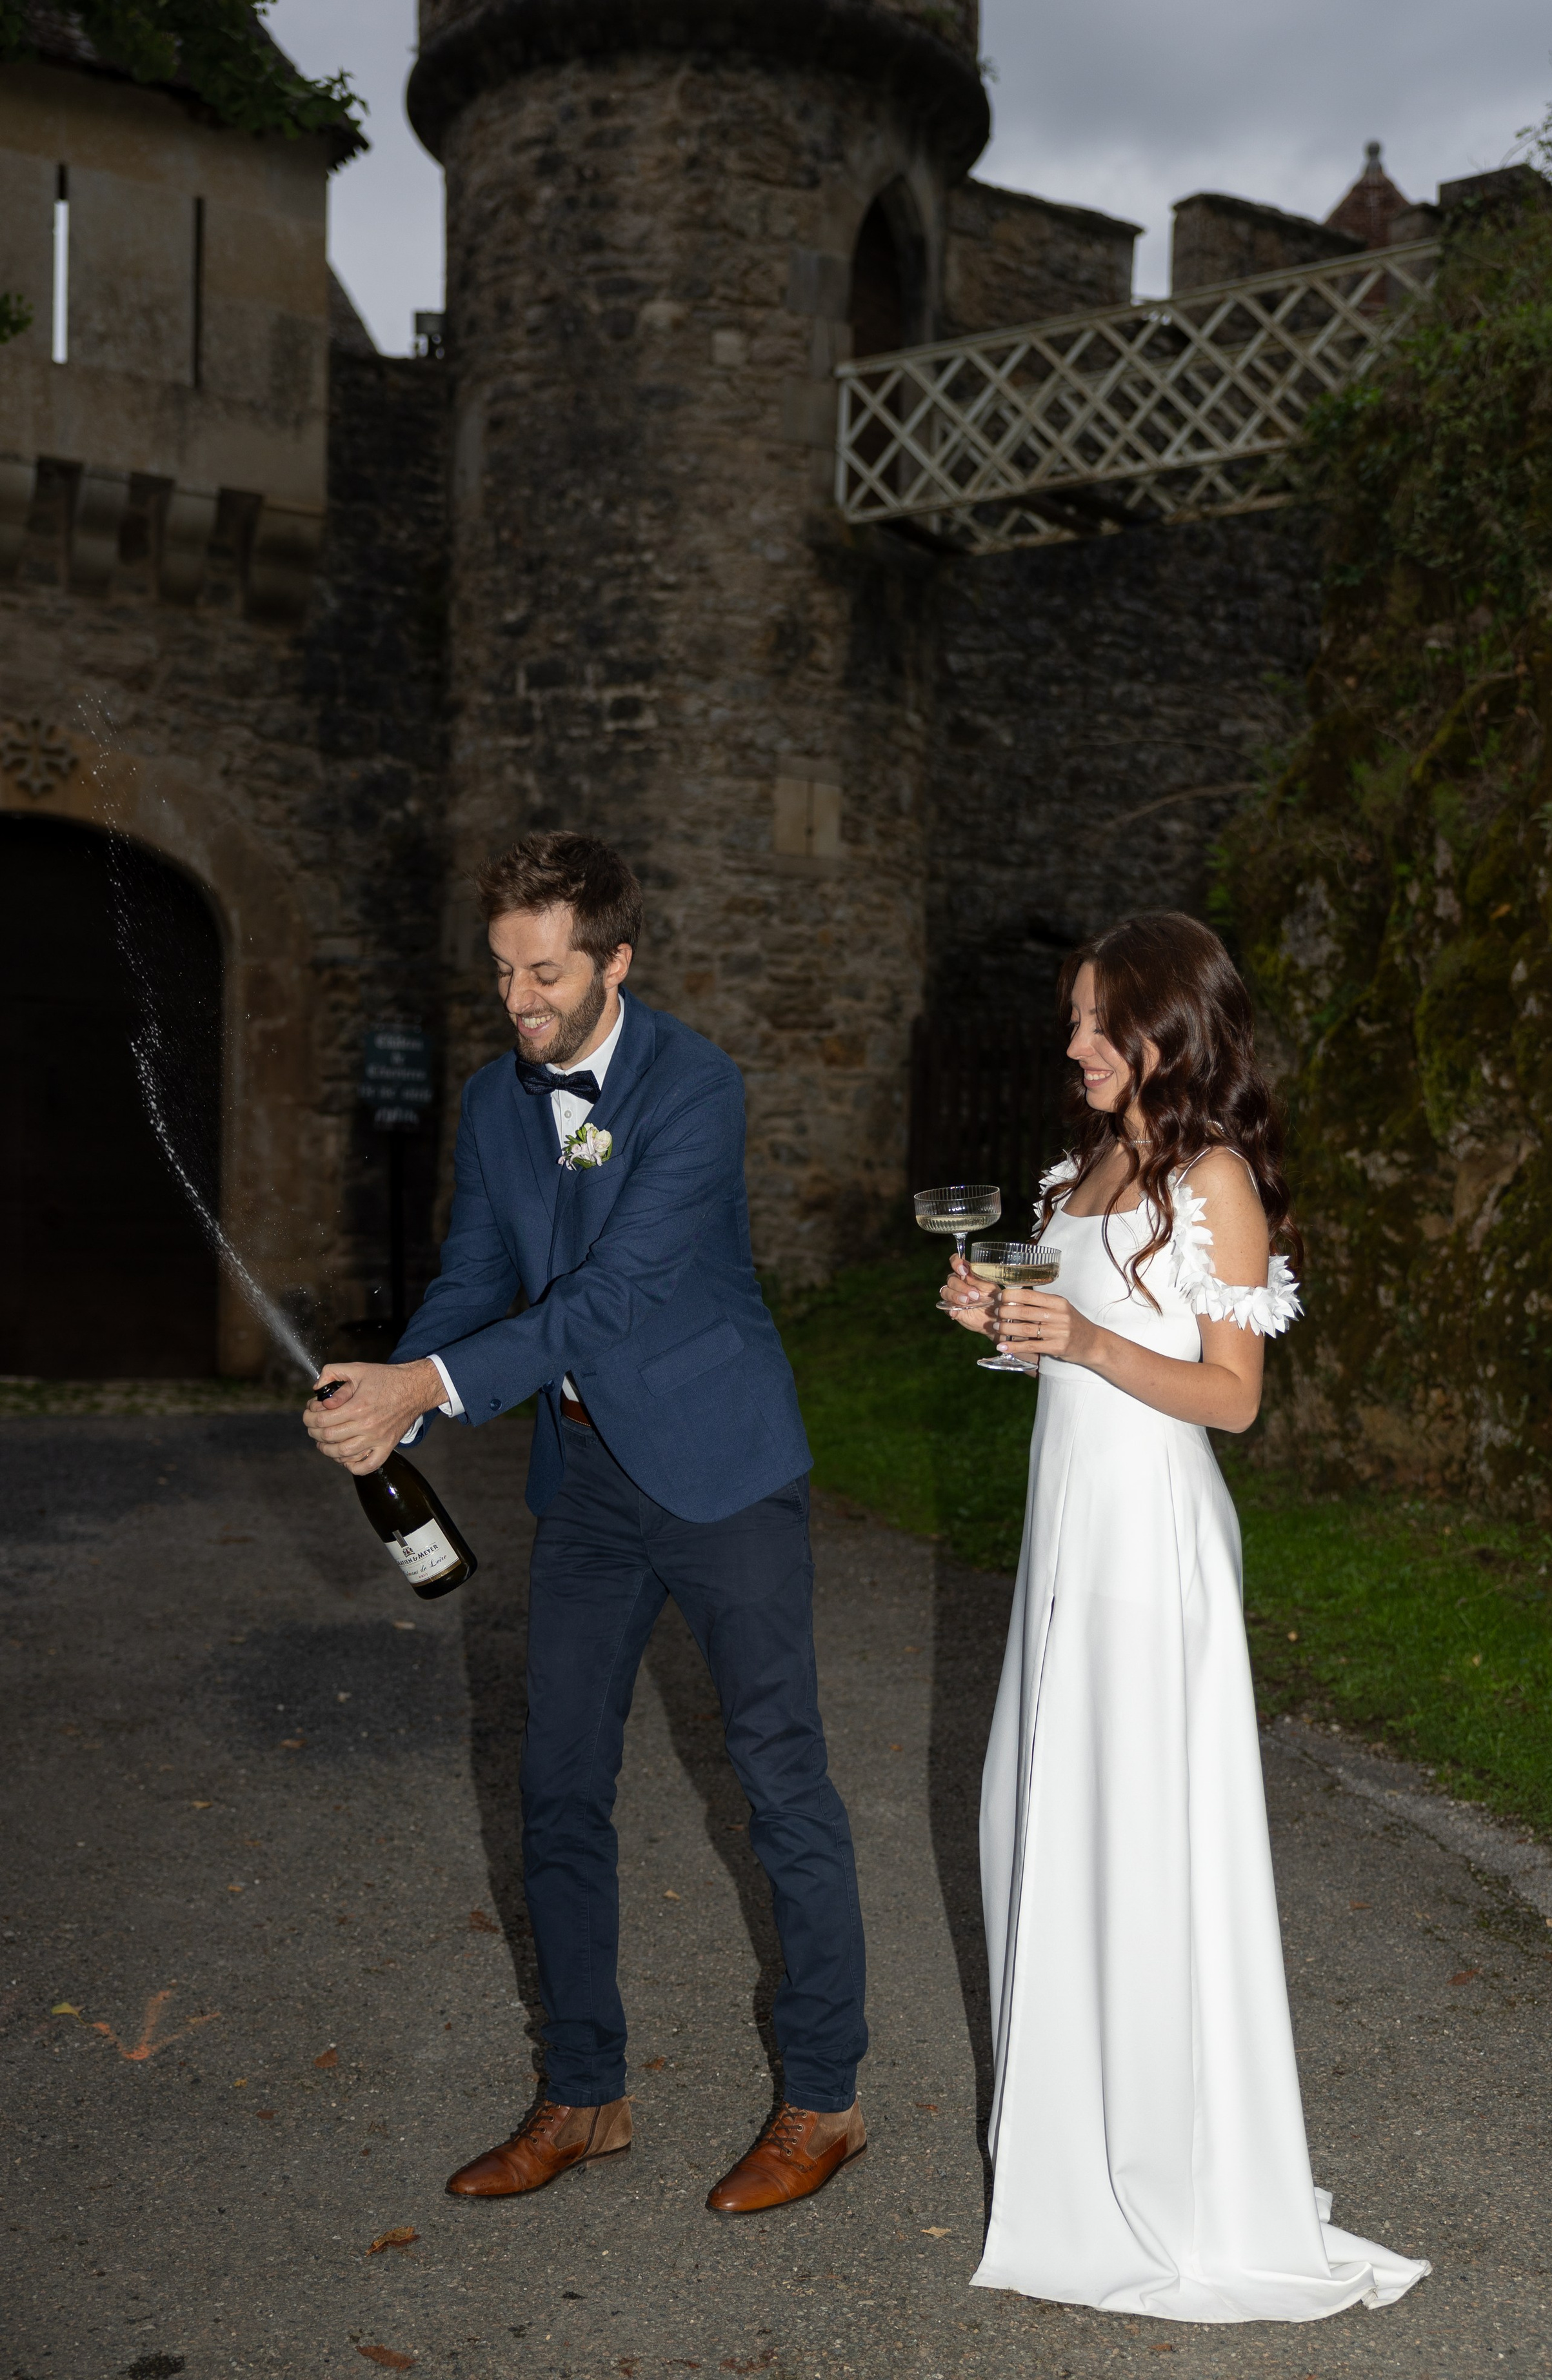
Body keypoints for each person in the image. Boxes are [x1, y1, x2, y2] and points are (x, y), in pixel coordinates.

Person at [304, 833, 868, 2214]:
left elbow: (611, 1295)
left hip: (722, 1468)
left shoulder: (699, 1088)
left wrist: (427, 1382)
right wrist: (397, 1405)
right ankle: (583, 2092)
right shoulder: (497, 1105)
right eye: (501, 972)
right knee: (556, 1784)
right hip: (585, 1483)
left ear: (616, 961)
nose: (517, 1000)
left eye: (544, 972)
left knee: (778, 1779)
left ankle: (823, 2098)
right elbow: (480, 1273)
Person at [939, 913, 1429, 2323]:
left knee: (1142, 1837)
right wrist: (1001, 1321)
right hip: (1066, 1532)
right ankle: (1073, 2157)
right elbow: (1071, 1352)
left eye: (1101, 1024)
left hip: (1151, 1540)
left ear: (1170, 1032)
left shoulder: (1212, 1178)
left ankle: (1167, 2175)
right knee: (1047, 1823)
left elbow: (1229, 1394)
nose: (1076, 1047)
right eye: (1075, 1022)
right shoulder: (1082, 1168)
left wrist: (1083, 1340)